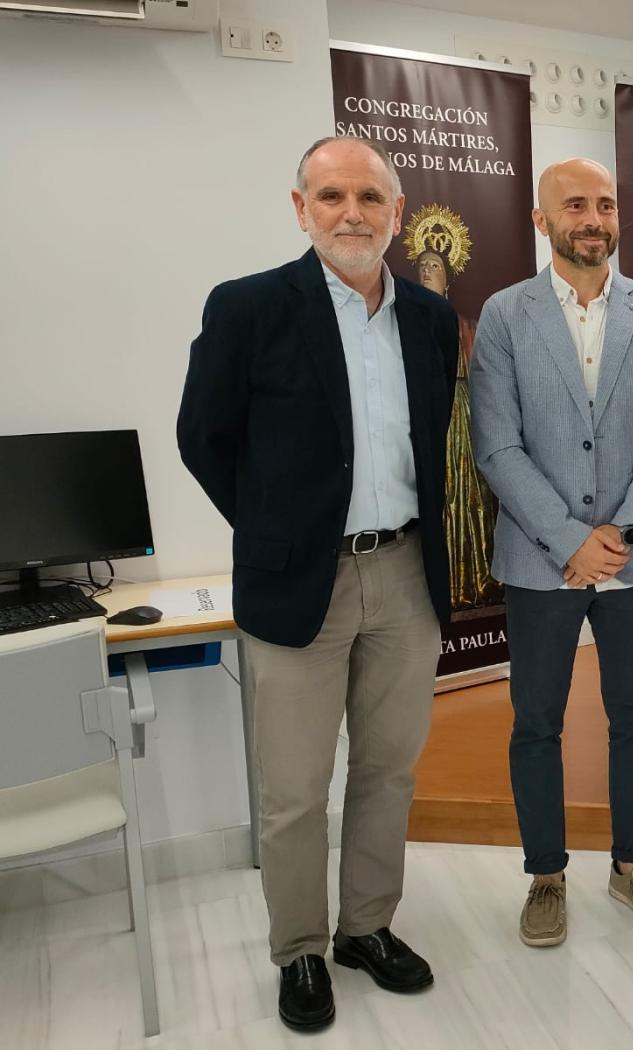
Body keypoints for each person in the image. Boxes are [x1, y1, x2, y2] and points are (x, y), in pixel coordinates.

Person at [177, 136, 456, 1030]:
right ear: (300, 209)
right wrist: (273, 532)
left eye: (371, 198)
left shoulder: (430, 318)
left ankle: (365, 927)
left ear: (398, 215)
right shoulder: (250, 308)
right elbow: (202, 439)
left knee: (388, 771)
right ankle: (299, 949)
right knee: (295, 791)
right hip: (300, 583)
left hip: (408, 574)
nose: (352, 214)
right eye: (331, 196)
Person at [469, 158, 633, 947]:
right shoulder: (504, 316)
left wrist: (623, 534)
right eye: (575, 205)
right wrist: (571, 540)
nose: (593, 218)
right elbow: (496, 446)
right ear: (543, 221)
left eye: (605, 204)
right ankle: (546, 875)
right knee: (537, 720)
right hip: (541, 560)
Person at [413, 249, 501, 609]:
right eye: (423, 266)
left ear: (448, 279)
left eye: (436, 266)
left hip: (465, 416)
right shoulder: (405, 326)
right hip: (425, 419)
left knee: (472, 496)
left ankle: (475, 579)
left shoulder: (468, 326)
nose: (429, 271)